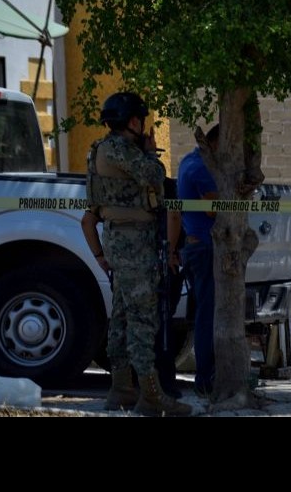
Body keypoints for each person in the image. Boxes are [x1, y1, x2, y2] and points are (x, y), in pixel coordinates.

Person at [85, 91, 191, 417]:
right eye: (141, 121)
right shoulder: (119, 150)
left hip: (121, 242)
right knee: (143, 320)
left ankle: (121, 389)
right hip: (134, 245)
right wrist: (149, 153)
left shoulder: (102, 150)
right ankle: (151, 396)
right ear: (132, 121)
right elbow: (154, 175)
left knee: (121, 317)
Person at [171, 123, 220, 397]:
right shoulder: (201, 167)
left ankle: (207, 375)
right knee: (207, 315)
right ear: (215, 144)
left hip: (195, 245)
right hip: (204, 247)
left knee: (203, 313)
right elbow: (214, 208)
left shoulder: (188, 161)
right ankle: (205, 378)